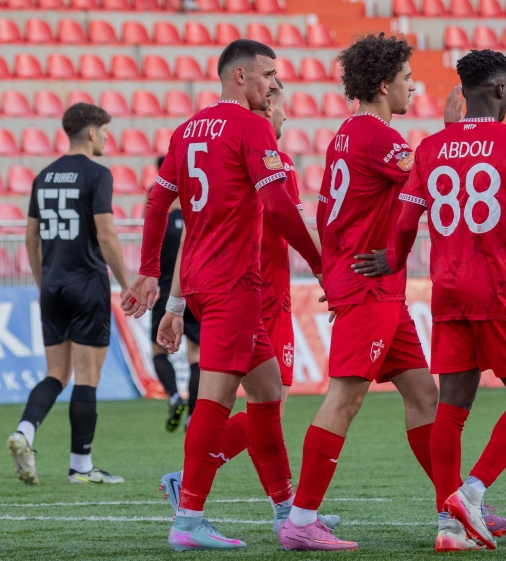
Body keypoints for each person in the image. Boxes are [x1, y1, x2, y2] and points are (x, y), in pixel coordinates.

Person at [353, 49, 506, 551]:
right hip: (494, 290)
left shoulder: (430, 148)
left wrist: (393, 259)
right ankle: (470, 493)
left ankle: (448, 527)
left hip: (447, 291)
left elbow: (405, 221)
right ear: (499, 90)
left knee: (452, 407)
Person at [121, 39, 323, 552]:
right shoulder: (252, 127)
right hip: (234, 284)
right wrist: (323, 265)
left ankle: (287, 512)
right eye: (268, 75)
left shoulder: (187, 129)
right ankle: (188, 517)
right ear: (239, 76)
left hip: (201, 281)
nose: (273, 86)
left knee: (268, 392)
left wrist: (151, 275)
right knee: (215, 399)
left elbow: (157, 202)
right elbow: (279, 206)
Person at [277, 33, 443, 552]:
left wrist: (334, 273)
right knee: (345, 399)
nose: (413, 86)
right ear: (383, 84)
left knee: (424, 395)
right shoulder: (377, 137)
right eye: (407, 78)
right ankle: (301, 520)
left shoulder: (348, 134)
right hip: (370, 288)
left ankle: (456, 506)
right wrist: (458, 134)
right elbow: (435, 177)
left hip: (376, 287)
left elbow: (329, 213)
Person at [158, 78, 339, 536]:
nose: (285, 116)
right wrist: (334, 265)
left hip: (238, 290)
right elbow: (292, 220)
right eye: (282, 106)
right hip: (257, 295)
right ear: (267, 105)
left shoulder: (219, 153)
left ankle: (286, 508)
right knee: (249, 401)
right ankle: (192, 497)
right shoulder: (271, 160)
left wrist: (175, 302)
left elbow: (191, 233)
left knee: (267, 394)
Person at [7, 103, 129, 485]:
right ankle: (81, 466)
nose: (106, 138)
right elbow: (106, 234)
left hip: (52, 285)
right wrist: (127, 284)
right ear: (91, 133)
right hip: (87, 283)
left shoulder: (43, 176)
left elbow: (31, 238)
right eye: (104, 131)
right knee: (87, 377)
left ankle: (25, 431)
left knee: (56, 374)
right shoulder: (98, 174)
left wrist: (43, 282)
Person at [147, 155, 201, 432]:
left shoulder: (162, 219)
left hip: (168, 290)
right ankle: (192, 415)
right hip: (194, 289)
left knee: (158, 350)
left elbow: (151, 257)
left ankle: (174, 396)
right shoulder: (196, 212)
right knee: (196, 355)